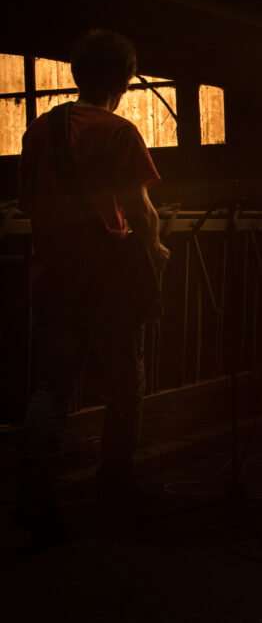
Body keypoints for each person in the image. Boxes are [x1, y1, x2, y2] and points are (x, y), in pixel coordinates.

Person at [15, 29, 170, 547]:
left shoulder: (39, 130)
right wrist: (155, 251)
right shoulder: (121, 133)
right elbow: (142, 216)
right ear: (124, 81)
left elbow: (28, 203)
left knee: (51, 390)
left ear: (79, 74)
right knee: (125, 388)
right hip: (108, 286)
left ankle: (35, 503)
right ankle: (114, 492)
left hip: (53, 278)